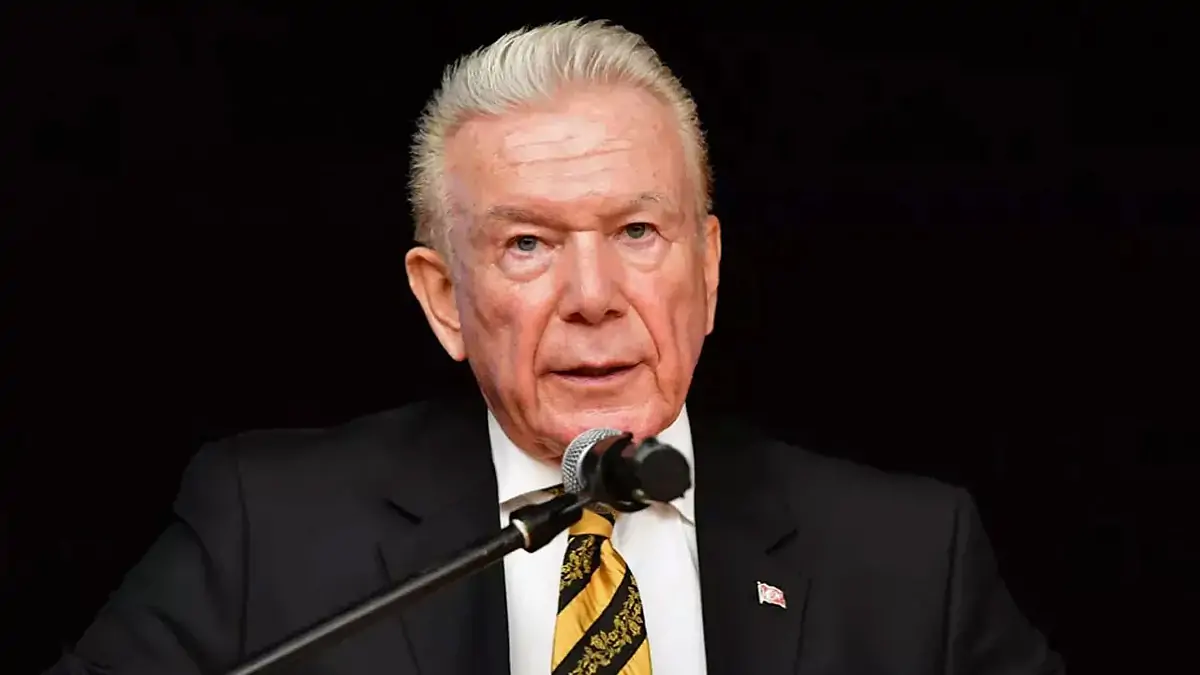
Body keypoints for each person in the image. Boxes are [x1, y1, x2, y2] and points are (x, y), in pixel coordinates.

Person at [45, 19, 1063, 675]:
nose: (593, 298)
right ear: (444, 298)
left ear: (708, 270)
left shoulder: (908, 560)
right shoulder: (267, 533)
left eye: (638, 232)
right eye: (527, 244)